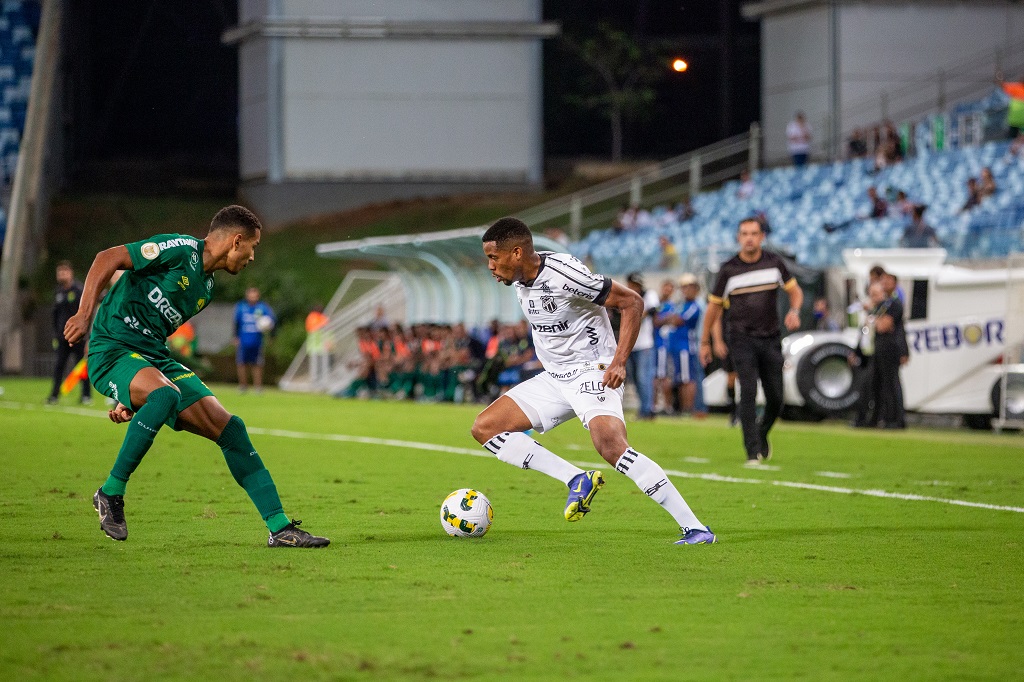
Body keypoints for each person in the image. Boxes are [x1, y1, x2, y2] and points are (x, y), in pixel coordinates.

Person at [62, 205, 329, 547]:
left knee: (231, 429)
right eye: (253, 247)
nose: (252, 257)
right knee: (165, 395)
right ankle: (110, 492)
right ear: (236, 241)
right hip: (111, 349)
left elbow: (153, 337)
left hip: (153, 358)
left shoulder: (204, 289)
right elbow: (107, 258)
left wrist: (135, 397)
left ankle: (280, 529)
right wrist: (84, 315)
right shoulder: (179, 250)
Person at [472, 217, 716, 544]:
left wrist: (618, 362)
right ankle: (575, 479)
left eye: (493, 257)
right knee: (485, 427)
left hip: (591, 371)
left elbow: (632, 302)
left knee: (611, 446)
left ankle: (696, 528)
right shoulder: (518, 278)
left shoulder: (566, 275)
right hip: (555, 379)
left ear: (516, 253)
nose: (490, 266)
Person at [700, 217, 803, 464]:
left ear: (761, 237)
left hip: (770, 338)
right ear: (738, 237)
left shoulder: (774, 263)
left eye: (754, 233)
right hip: (741, 338)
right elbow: (713, 309)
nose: (749, 238)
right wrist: (706, 342)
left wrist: (794, 311)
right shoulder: (728, 270)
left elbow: (795, 291)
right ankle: (751, 451)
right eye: (744, 233)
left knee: (776, 397)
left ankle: (762, 432)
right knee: (747, 390)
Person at [47, 260, 92, 405]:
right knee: (59, 365)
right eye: (59, 272)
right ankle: (54, 395)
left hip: (78, 336)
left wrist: (86, 335)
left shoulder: (79, 290)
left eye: (64, 272)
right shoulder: (58, 292)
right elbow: (55, 315)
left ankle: (86, 395)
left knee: (81, 367)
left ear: (70, 273)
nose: (61, 275)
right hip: (62, 337)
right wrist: (55, 334)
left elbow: (87, 313)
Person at [864, 281, 907, 429]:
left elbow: (883, 326)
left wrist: (874, 320)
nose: (873, 298)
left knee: (891, 385)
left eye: (875, 294)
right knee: (877, 386)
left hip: (890, 349)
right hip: (878, 349)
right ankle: (877, 418)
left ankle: (897, 419)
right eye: (871, 294)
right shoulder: (878, 309)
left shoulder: (893, 305)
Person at [624, 272, 658, 420]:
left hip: (645, 344)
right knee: (635, 379)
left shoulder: (649, 294)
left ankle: (648, 410)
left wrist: (637, 315)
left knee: (644, 377)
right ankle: (644, 408)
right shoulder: (627, 295)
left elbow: (653, 309)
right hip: (631, 344)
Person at [676, 273, 707, 418]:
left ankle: (696, 408)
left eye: (688, 287)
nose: (685, 290)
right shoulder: (683, 304)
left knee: (692, 378)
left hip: (694, 344)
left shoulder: (697, 304)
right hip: (689, 344)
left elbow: (678, 320)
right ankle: (694, 408)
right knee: (689, 377)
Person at [234, 286, 275, 392]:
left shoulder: (262, 307)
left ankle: (258, 387)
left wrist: (270, 334)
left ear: (258, 296)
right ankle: (243, 386)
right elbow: (236, 323)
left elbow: (271, 321)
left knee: (257, 364)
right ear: (247, 296)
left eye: (255, 296)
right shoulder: (241, 307)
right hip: (243, 340)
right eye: (250, 295)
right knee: (242, 363)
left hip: (257, 341)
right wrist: (235, 337)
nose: (252, 298)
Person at [305, 304, 330, 386]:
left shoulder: (324, 317)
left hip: (323, 345)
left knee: (324, 364)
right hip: (314, 345)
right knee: (314, 364)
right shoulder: (311, 317)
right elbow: (311, 328)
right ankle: (314, 381)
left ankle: (324, 381)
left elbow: (328, 330)